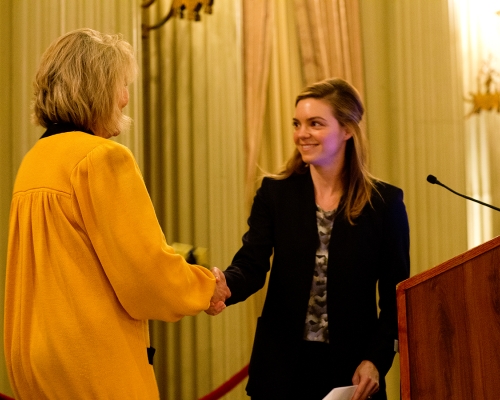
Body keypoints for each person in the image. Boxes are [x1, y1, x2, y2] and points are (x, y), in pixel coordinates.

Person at [4, 28, 229, 399]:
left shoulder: (35, 161)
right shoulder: (102, 158)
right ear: (95, 88)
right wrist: (205, 288)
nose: (125, 99)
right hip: (91, 359)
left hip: (34, 360)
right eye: (121, 85)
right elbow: (144, 274)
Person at [215, 78, 410, 400]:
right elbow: (251, 263)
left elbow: (395, 296)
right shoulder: (275, 194)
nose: (301, 134)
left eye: (315, 124)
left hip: (352, 372)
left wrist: (377, 360)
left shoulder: (384, 204)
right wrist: (223, 284)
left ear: (347, 130)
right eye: (297, 123)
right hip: (281, 368)